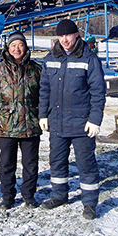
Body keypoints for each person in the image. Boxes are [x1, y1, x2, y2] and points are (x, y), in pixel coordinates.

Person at [38, 19, 106, 220]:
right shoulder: (51, 58)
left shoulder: (89, 59)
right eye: (61, 36)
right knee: (57, 162)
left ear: (76, 35)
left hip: (81, 124)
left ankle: (89, 204)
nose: (64, 40)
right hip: (57, 122)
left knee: (86, 164)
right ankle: (59, 196)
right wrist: (43, 114)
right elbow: (44, 89)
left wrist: (95, 120)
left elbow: (98, 91)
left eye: (68, 35)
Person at [0, 31, 42, 209]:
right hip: (6, 125)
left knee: (30, 164)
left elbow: (43, 96)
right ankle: (7, 196)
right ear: (8, 48)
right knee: (7, 164)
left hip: (30, 124)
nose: (17, 49)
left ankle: (29, 195)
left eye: (20, 45)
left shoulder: (36, 69)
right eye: (13, 45)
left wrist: (44, 117)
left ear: (25, 47)